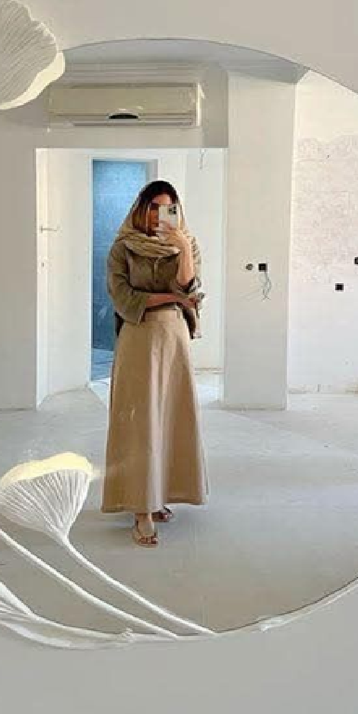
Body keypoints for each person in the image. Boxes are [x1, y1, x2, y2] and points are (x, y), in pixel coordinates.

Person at [100, 180, 208, 547]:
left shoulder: (186, 244)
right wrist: (170, 297)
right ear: (140, 208)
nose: (158, 216)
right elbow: (123, 298)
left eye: (167, 208)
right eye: (153, 207)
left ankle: (159, 495)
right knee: (140, 422)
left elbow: (190, 290)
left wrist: (182, 249)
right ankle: (141, 510)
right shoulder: (123, 248)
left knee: (171, 418)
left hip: (174, 339)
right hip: (138, 337)